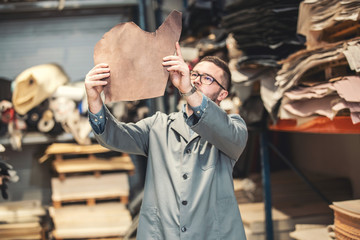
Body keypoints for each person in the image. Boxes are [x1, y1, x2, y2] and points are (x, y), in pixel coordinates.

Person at [85, 42, 248, 240]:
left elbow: (220, 128)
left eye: (207, 78)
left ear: (222, 94)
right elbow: (114, 137)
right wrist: (94, 99)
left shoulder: (234, 129)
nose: (195, 80)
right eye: (194, 74)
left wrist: (189, 90)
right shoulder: (159, 126)